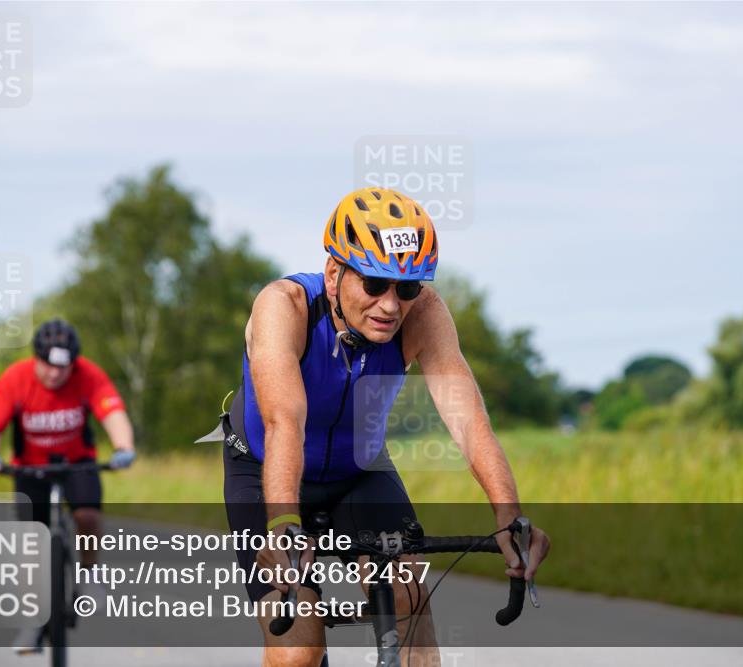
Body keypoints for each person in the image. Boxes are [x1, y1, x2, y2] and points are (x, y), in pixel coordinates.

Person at [219, 188, 550, 667]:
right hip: (265, 468)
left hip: (358, 471)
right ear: (333, 274)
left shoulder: (424, 314)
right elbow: (283, 422)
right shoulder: (284, 307)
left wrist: (509, 515)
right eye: (374, 283)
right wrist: (282, 525)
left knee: (407, 599)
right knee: (297, 651)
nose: (391, 305)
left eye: (407, 288)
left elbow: (469, 421)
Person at [0, 318, 136, 654]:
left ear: (73, 363)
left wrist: (123, 447)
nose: (54, 374)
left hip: (77, 463)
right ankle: (32, 622)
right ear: (36, 358)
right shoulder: (16, 378)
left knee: (87, 516)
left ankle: (89, 575)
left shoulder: (88, 374)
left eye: (62, 368)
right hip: (30, 468)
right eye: (47, 365)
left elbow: (112, 412)